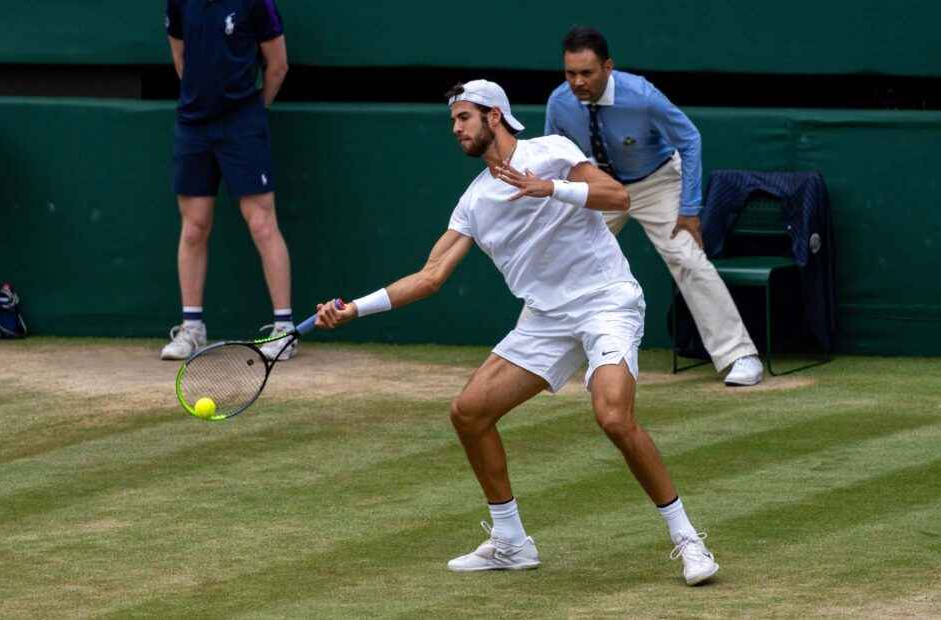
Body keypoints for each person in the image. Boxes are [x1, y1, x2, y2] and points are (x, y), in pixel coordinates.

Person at [313, 80, 720, 586]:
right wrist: (353, 310)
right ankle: (510, 542)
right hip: (545, 322)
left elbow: (618, 196)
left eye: (463, 117)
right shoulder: (473, 202)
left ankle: (688, 539)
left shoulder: (550, 152)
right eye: (453, 121)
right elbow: (430, 275)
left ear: (495, 116)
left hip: (605, 302)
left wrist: (551, 188)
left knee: (613, 416)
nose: (456, 128)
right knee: (469, 412)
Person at [544, 26, 763, 386]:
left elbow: (690, 139)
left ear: (608, 67)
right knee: (562, 257)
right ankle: (538, 356)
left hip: (656, 181)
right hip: (602, 184)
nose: (578, 82)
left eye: (587, 73)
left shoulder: (641, 95)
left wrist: (689, 210)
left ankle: (739, 356)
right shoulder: (560, 102)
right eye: (571, 74)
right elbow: (557, 154)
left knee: (688, 258)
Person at [160, 0, 296, 361]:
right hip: (193, 126)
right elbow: (181, 60)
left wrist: (251, 113)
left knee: (262, 223)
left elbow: (278, 65)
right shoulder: (178, 3)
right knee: (194, 227)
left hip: (243, 126)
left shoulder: (257, 3)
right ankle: (192, 330)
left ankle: (285, 330)